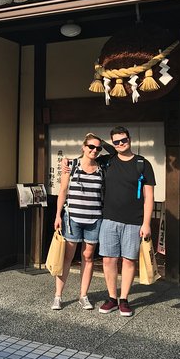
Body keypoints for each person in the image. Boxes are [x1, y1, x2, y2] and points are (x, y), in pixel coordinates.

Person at [97, 126, 155, 317]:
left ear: (130, 140)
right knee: (108, 259)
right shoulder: (107, 161)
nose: (121, 144)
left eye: (124, 140)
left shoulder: (142, 163)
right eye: (117, 142)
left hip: (133, 220)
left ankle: (124, 299)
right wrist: (66, 164)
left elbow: (149, 196)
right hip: (109, 218)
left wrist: (146, 223)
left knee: (129, 260)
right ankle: (112, 298)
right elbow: (87, 160)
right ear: (112, 143)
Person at [51, 133, 105, 311]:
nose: (94, 150)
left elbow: (115, 152)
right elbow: (63, 191)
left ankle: (83, 295)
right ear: (83, 147)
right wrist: (58, 215)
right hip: (72, 218)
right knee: (67, 257)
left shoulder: (101, 168)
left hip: (94, 219)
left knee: (88, 257)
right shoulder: (72, 165)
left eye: (98, 148)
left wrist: (100, 143)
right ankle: (58, 296)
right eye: (91, 146)